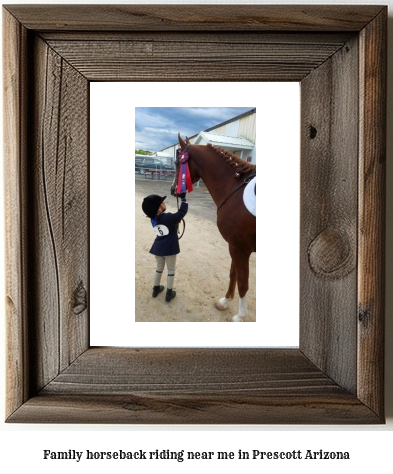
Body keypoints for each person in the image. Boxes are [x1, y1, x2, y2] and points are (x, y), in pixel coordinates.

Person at [142, 193, 188, 302]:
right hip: (170, 248)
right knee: (171, 270)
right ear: (159, 208)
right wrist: (184, 200)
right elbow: (181, 212)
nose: (164, 203)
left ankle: (156, 288)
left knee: (159, 268)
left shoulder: (153, 218)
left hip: (158, 248)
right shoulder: (168, 217)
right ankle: (168, 293)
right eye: (161, 203)